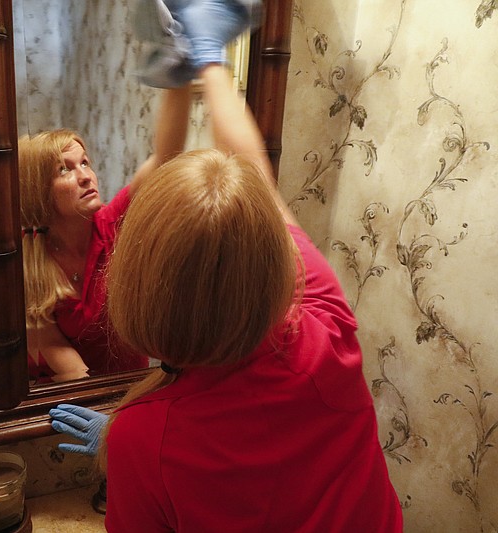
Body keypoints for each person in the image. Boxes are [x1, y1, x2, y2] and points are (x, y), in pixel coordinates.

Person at [49, 0, 403, 530]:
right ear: (268, 269)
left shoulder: (144, 442)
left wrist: (127, 440)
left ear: (141, 294)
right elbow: (254, 175)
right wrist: (209, 53)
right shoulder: (326, 334)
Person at [19, 87, 193, 382]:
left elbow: (164, 158)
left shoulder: (114, 223)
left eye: (85, 162)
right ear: (39, 191)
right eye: (64, 170)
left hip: (125, 386)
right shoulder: (29, 258)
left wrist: (179, 81)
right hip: (68, 397)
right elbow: (60, 356)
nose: (86, 175)